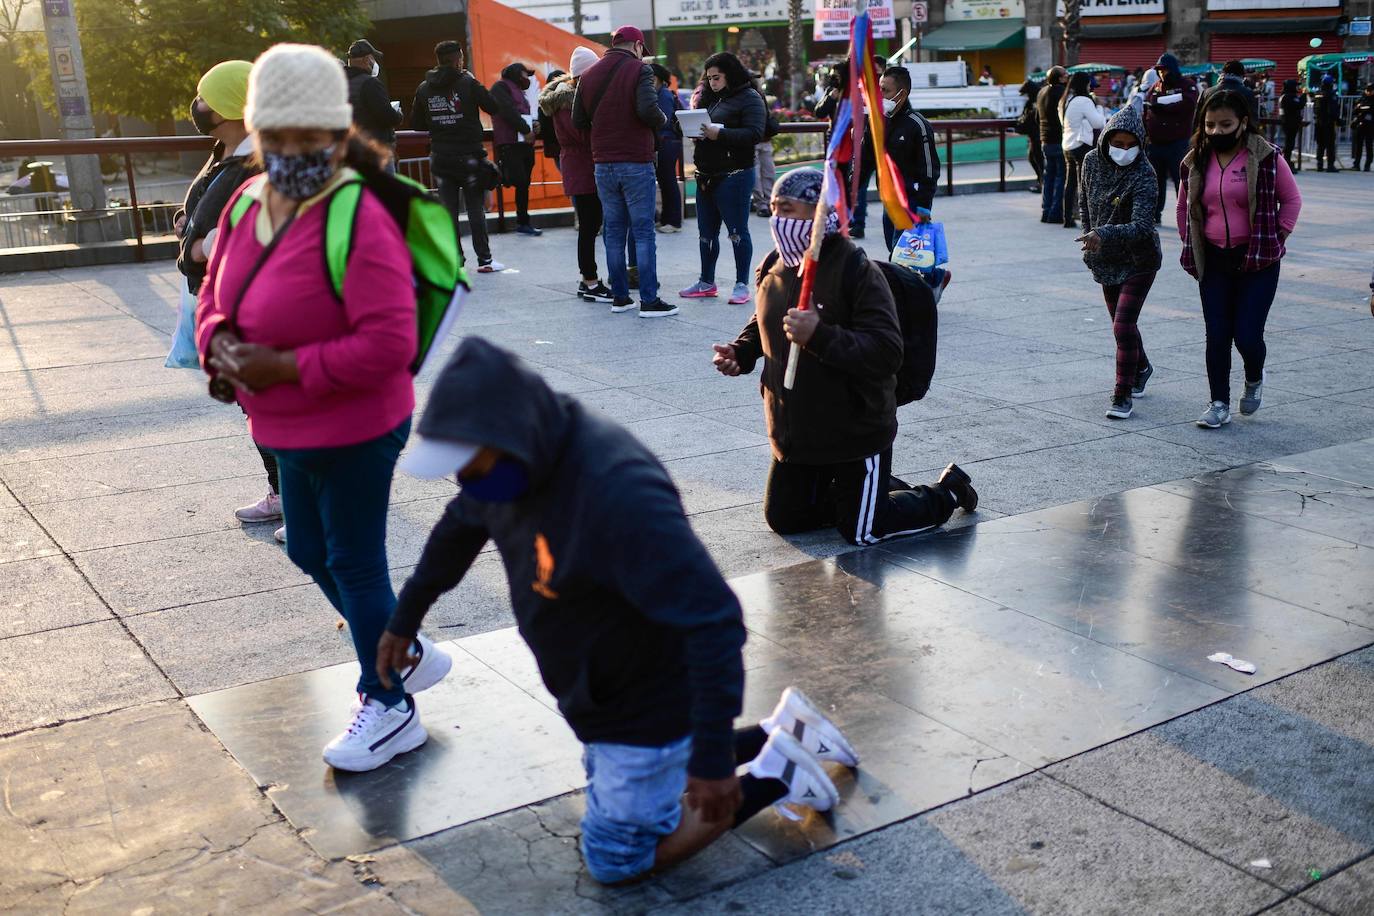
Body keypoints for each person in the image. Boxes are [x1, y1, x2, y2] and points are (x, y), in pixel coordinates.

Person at [380, 337, 854, 885]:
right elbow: (460, 524)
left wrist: (712, 768)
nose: (468, 482)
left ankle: (776, 773)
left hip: (643, 702)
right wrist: (405, 617)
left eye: (472, 466)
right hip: (601, 694)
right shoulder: (507, 464)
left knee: (614, 859)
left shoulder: (618, 494)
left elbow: (714, 622)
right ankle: (780, 732)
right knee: (639, 778)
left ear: (512, 434)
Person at [197, 43, 453, 771]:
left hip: (357, 423)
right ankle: (403, 647)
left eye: (309, 136)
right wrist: (221, 353)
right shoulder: (248, 201)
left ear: (339, 134)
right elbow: (216, 294)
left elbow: (387, 342)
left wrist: (282, 364)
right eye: (275, 135)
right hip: (280, 423)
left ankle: (391, 704)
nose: (291, 151)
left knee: (353, 558)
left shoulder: (357, 210)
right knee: (305, 548)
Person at [711, 168, 978, 544]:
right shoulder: (775, 263)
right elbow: (766, 317)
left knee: (864, 529)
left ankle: (946, 491)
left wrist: (819, 336)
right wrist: (741, 352)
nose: (777, 220)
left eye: (788, 209)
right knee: (786, 518)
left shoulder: (856, 270)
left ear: (820, 214)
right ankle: (866, 490)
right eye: (774, 209)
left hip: (854, 430)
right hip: (798, 430)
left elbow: (886, 352)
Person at [172, 62, 278, 532]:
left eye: (207, 100)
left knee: (272, 405)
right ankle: (282, 493)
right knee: (252, 403)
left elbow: (247, 230)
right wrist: (188, 226)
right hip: (219, 297)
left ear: (234, 108)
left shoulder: (257, 162)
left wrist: (201, 244)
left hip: (251, 301)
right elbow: (204, 213)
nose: (199, 108)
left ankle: (309, 506)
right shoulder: (226, 153)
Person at [1177, 89, 1302, 430]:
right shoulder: (1194, 160)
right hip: (1214, 260)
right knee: (1217, 333)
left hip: (1257, 259)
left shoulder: (1266, 158)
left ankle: (1254, 377)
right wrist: (1190, 241)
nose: (1217, 131)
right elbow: (1183, 207)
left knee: (1246, 334)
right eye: (1210, 125)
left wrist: (1278, 236)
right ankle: (1218, 403)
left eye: (1226, 124)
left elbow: (1290, 200)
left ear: (1243, 122)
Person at [573, 26, 674, 317]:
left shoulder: (589, 73)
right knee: (643, 231)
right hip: (635, 160)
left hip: (603, 163)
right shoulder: (639, 70)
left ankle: (620, 297)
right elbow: (647, 110)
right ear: (638, 46)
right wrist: (663, 118)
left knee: (614, 231)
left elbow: (579, 118)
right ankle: (649, 300)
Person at [1075, 105, 1162, 420]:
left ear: (1140, 144)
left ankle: (1122, 394)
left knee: (1123, 326)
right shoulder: (1090, 163)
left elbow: (1142, 226)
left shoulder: (1145, 173)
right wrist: (1089, 240)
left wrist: (1103, 232)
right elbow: (1085, 204)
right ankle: (1141, 366)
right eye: (1117, 144)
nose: (1123, 151)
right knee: (1122, 325)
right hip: (1105, 257)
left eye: (1130, 145)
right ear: (1106, 140)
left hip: (1139, 258)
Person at [411, 41, 506, 273]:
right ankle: (484, 260)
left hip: (441, 157)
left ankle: (454, 261)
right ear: (459, 59)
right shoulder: (467, 82)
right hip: (469, 156)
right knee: (475, 207)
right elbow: (493, 106)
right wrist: (473, 82)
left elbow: (416, 124)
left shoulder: (424, 88)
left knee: (448, 211)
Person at [680, 52, 765, 306]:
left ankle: (741, 284)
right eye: (709, 78)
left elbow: (755, 133)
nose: (712, 82)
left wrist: (721, 134)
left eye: (716, 77)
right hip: (706, 173)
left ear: (730, 74)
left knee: (737, 232)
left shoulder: (750, 97)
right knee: (705, 233)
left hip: (735, 174)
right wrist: (691, 129)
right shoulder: (710, 97)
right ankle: (706, 282)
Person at [540, 47, 614, 303]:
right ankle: (591, 280)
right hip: (583, 168)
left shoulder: (572, 98)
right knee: (589, 226)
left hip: (582, 167)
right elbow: (585, 137)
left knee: (590, 225)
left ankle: (587, 280)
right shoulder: (568, 103)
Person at [876, 65, 940, 251]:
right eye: (879, 90)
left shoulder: (918, 125)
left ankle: (931, 277)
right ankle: (936, 276)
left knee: (902, 257)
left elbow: (930, 168)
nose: (880, 95)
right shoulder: (880, 122)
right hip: (889, 200)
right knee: (898, 253)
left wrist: (923, 206)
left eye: (885, 91)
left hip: (910, 203)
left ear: (902, 94)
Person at [1144, 54, 1199, 225]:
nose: (1162, 73)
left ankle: (1187, 217)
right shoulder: (1155, 87)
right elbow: (1146, 107)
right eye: (1159, 70)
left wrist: (1163, 107)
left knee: (1182, 182)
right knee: (1155, 183)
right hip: (1155, 144)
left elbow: (1189, 104)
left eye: (1165, 70)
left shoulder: (1187, 86)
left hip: (1177, 143)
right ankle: (1155, 215)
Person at [491, 62, 542, 236]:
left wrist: (534, 125)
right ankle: (521, 221)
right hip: (510, 143)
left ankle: (523, 221)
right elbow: (507, 111)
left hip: (523, 144)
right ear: (517, 74)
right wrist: (526, 129)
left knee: (524, 183)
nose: (527, 78)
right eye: (525, 74)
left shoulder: (520, 91)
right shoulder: (500, 87)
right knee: (517, 180)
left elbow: (521, 113)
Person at [1061, 71, 1105, 231]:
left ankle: (1067, 218)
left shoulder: (1067, 99)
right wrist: (1099, 106)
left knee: (1070, 182)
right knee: (1084, 184)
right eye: (1089, 84)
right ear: (1085, 85)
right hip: (1081, 146)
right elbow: (1098, 123)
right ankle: (1087, 220)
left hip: (1067, 144)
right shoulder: (1084, 101)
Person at [343, 39, 402, 157]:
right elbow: (387, 116)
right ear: (366, 59)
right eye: (373, 58)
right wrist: (398, 114)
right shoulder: (370, 83)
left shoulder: (340, 83)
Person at [651, 63, 684, 233]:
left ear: (657, 78)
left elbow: (661, 120)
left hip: (666, 142)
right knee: (665, 181)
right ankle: (666, 219)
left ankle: (674, 221)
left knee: (668, 181)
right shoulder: (662, 93)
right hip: (667, 142)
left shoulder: (663, 95)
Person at [1036, 67, 1068, 223]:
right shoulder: (1062, 92)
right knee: (1061, 177)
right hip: (1059, 139)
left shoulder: (1041, 92)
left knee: (1048, 177)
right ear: (1060, 78)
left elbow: (1037, 117)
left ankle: (1045, 210)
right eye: (1065, 75)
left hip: (1045, 140)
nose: (1068, 76)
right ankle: (1055, 212)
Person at [751, 78, 778, 219]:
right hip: (755, 139)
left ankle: (768, 202)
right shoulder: (749, 96)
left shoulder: (760, 95)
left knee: (768, 171)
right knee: (757, 174)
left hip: (764, 138)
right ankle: (762, 204)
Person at [1017, 77, 1044, 193]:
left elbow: (1030, 118)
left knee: (1038, 160)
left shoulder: (1038, 102)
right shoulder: (1033, 101)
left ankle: (1042, 184)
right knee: (1033, 158)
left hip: (1038, 136)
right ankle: (1041, 182)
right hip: (1035, 136)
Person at [1312, 75, 1343, 172]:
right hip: (1328, 123)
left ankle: (1319, 165)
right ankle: (1330, 165)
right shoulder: (1331, 94)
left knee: (1320, 144)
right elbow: (1333, 110)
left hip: (1318, 122)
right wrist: (1338, 120)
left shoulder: (1317, 94)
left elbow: (1315, 108)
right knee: (1330, 145)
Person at [1278, 79, 1306, 170]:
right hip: (1289, 123)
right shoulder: (1287, 97)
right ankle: (1286, 163)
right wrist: (1304, 95)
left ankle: (1287, 161)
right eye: (1295, 86)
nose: (1297, 87)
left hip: (1292, 123)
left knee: (1290, 143)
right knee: (1289, 144)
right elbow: (1299, 105)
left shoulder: (1289, 96)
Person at [540, 69, 564, 173]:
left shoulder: (544, 103)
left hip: (555, 147)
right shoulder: (568, 99)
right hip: (571, 147)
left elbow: (544, 128)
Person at [1353, 83, 1374, 171]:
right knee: (1358, 146)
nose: (1368, 92)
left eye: (1370, 91)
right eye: (1367, 90)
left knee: (1369, 146)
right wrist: (1361, 108)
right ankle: (1356, 164)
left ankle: (1367, 165)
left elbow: (1370, 109)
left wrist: (1362, 108)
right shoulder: (1362, 98)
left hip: (1371, 125)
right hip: (1360, 124)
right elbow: (1355, 110)